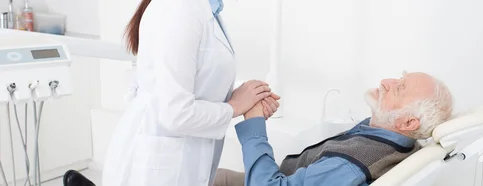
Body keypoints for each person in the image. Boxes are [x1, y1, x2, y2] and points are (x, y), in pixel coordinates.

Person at [63, 0, 281, 186]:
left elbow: (199, 78)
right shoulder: (180, 8)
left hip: (179, 159)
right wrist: (234, 106)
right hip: (158, 167)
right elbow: (176, 112)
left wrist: (250, 96)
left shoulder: (204, 9)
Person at [213, 72, 453, 186]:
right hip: (286, 177)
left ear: (408, 123)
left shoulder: (352, 165)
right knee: (205, 172)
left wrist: (254, 121)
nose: (385, 81)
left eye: (400, 88)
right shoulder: (395, 139)